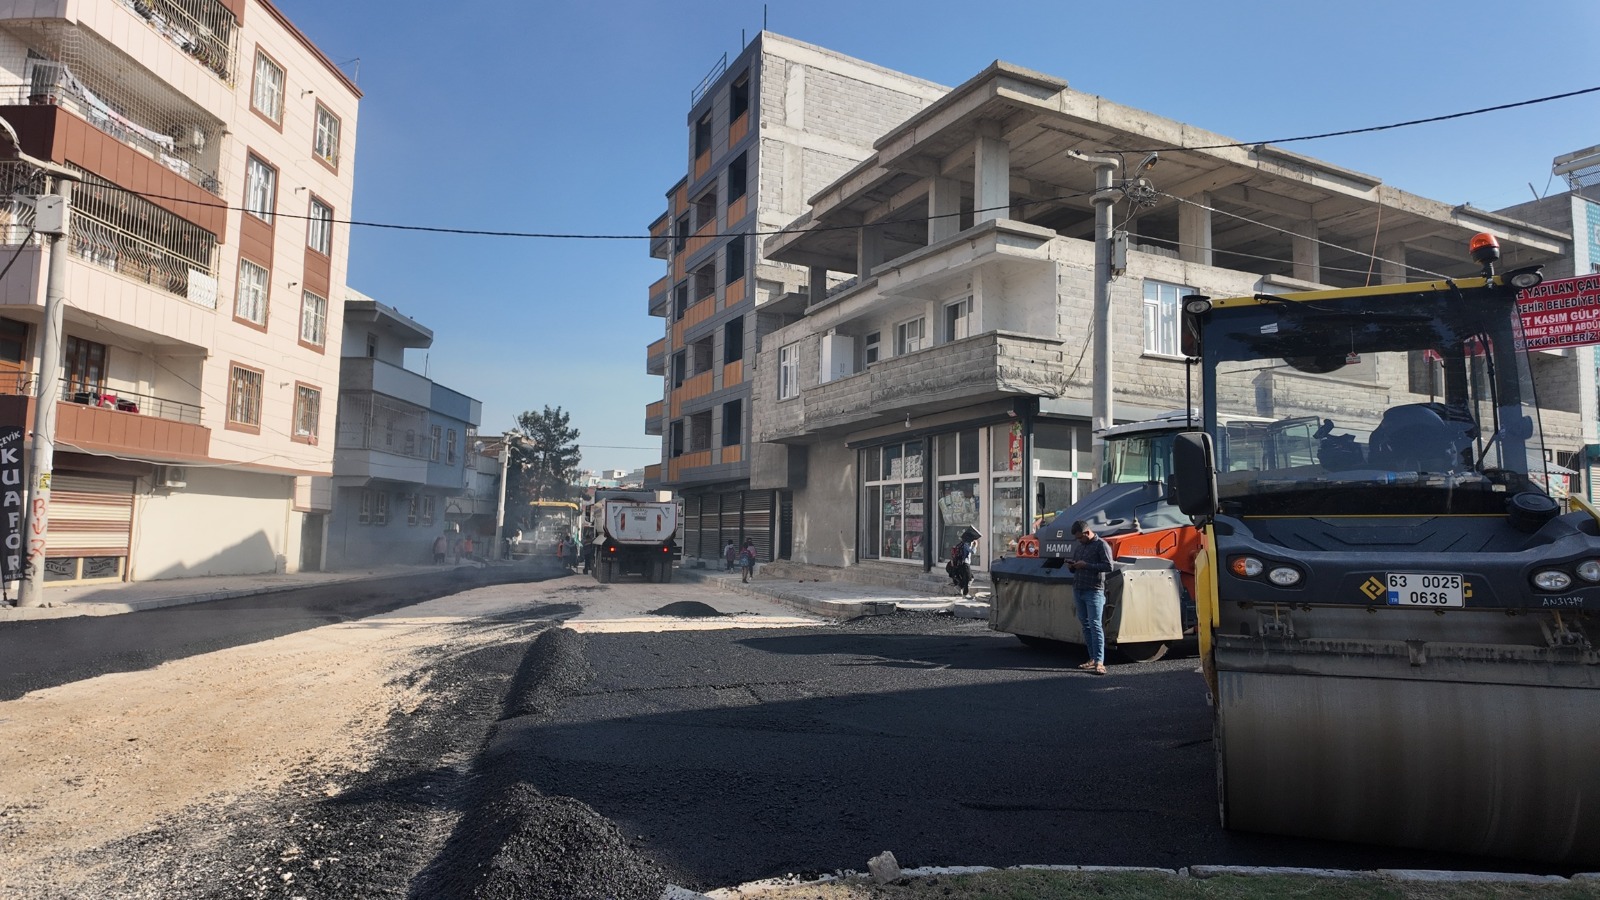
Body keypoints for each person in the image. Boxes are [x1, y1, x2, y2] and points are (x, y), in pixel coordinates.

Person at [1066, 519, 1114, 675]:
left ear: (1087, 532)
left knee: (1095, 625)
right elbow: (1075, 570)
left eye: (1080, 537)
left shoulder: (1101, 545)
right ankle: (1092, 658)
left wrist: (1086, 565)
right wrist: (1072, 567)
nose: (1079, 540)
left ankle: (1100, 661)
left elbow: (1108, 566)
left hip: (1094, 590)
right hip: (1078, 589)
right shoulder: (1080, 548)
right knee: (1086, 625)